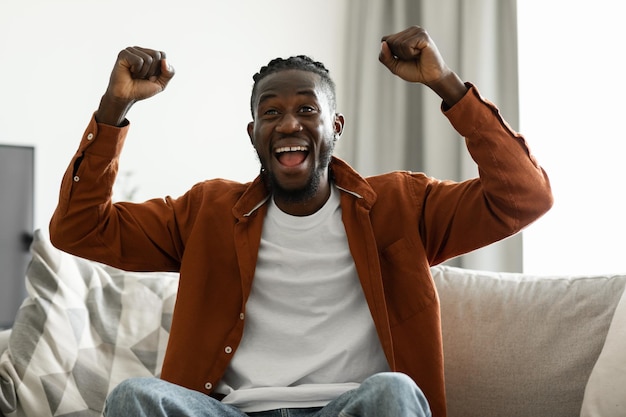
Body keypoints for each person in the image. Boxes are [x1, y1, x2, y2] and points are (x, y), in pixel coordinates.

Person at [49, 25, 552, 417]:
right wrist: (115, 107)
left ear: (335, 127)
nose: (288, 123)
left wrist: (447, 85)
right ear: (254, 133)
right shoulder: (206, 213)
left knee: (394, 393)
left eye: (307, 109)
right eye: (271, 113)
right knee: (135, 397)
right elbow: (78, 228)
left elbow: (524, 197)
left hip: (352, 407)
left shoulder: (401, 203)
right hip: (231, 411)